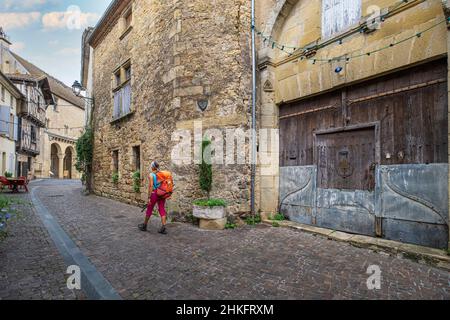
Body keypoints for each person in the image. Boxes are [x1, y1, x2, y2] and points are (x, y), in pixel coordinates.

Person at [139, 161, 168, 234]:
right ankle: (163, 227)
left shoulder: (151, 175)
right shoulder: (161, 174)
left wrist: (149, 197)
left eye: (151, 165)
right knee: (161, 208)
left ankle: (144, 225)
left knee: (149, 209)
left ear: (152, 167)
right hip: (161, 193)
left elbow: (151, 186)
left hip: (154, 193)